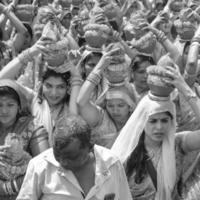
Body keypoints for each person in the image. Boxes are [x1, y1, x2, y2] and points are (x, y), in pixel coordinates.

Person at [111, 61, 200, 200]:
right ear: (142, 121)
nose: (159, 127)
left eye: (164, 121)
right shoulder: (127, 152)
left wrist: (184, 88)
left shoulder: (177, 144)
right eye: (153, 121)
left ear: (172, 122)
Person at [16, 115, 132, 200]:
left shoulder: (111, 163)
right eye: (57, 155)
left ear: (90, 147)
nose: (62, 162)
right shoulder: (39, 166)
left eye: (71, 157)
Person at [77, 43, 136, 148]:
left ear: (130, 106)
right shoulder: (102, 118)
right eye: (110, 105)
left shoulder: (137, 121)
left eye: (120, 105)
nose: (115, 110)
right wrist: (100, 66)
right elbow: (81, 101)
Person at [0, 79, 49, 200]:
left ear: (19, 105)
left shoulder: (33, 127)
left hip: (24, 192)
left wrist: (7, 187)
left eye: (10, 105)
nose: (4, 111)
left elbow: (45, 167)